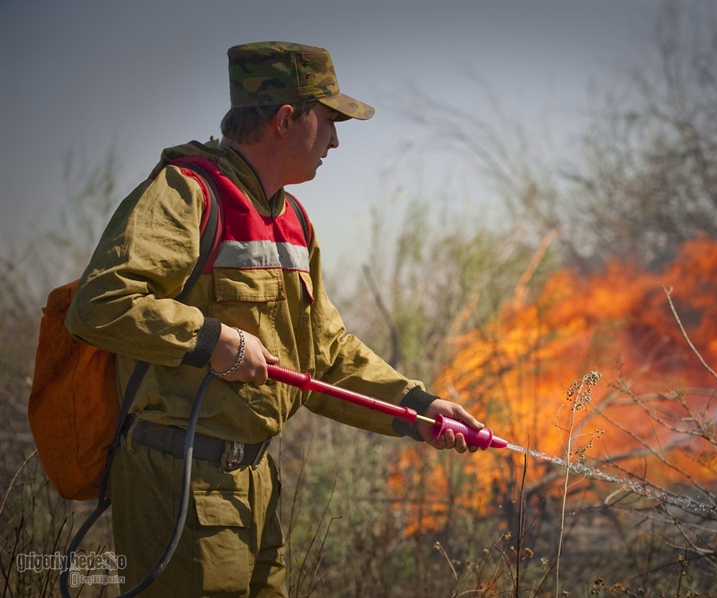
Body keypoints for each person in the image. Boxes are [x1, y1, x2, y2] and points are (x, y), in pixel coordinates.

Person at [65, 41, 484, 597]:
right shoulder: (186, 195)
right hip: (180, 483)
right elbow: (101, 304)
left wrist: (417, 407)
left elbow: (325, 353)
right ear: (286, 119)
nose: (336, 139)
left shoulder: (293, 222)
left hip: (257, 485)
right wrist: (213, 340)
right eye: (329, 119)